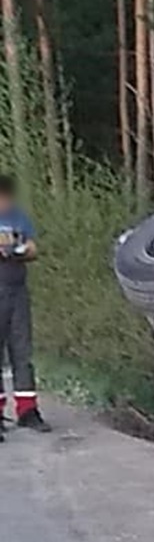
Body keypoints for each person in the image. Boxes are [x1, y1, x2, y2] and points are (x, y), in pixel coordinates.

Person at [0, 175, 50, 439]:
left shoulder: (18, 216)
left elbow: (33, 248)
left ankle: (28, 410)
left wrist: (18, 251)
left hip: (17, 291)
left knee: (22, 351)